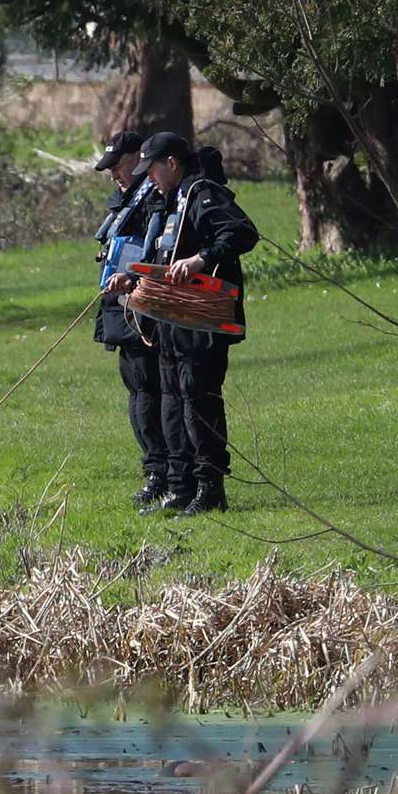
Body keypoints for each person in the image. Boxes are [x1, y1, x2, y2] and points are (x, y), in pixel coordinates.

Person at [109, 132, 259, 516]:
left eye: (153, 169)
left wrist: (202, 259)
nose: (150, 178)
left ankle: (211, 489)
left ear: (172, 163)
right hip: (170, 323)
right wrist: (134, 279)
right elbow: (164, 256)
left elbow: (242, 233)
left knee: (198, 400)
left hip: (202, 321)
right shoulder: (168, 200)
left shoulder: (202, 193)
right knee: (173, 402)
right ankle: (180, 486)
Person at [92, 131, 169, 509]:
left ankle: (161, 473)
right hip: (120, 303)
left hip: (142, 304)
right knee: (138, 388)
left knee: (147, 389)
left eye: (118, 166)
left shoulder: (153, 198)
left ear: (137, 157)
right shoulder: (125, 200)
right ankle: (158, 469)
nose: (113, 176)